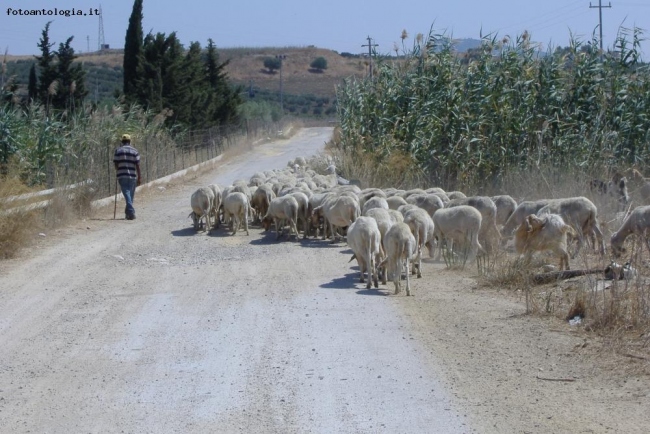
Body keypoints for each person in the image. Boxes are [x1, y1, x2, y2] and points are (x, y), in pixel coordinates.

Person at [113, 133, 142, 220]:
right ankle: (130, 212)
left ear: (122, 141)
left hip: (122, 175)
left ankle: (129, 213)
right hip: (132, 176)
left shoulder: (118, 151)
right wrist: (140, 177)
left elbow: (116, 164)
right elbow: (138, 165)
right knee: (130, 195)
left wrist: (118, 169)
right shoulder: (135, 151)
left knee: (127, 194)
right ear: (129, 141)